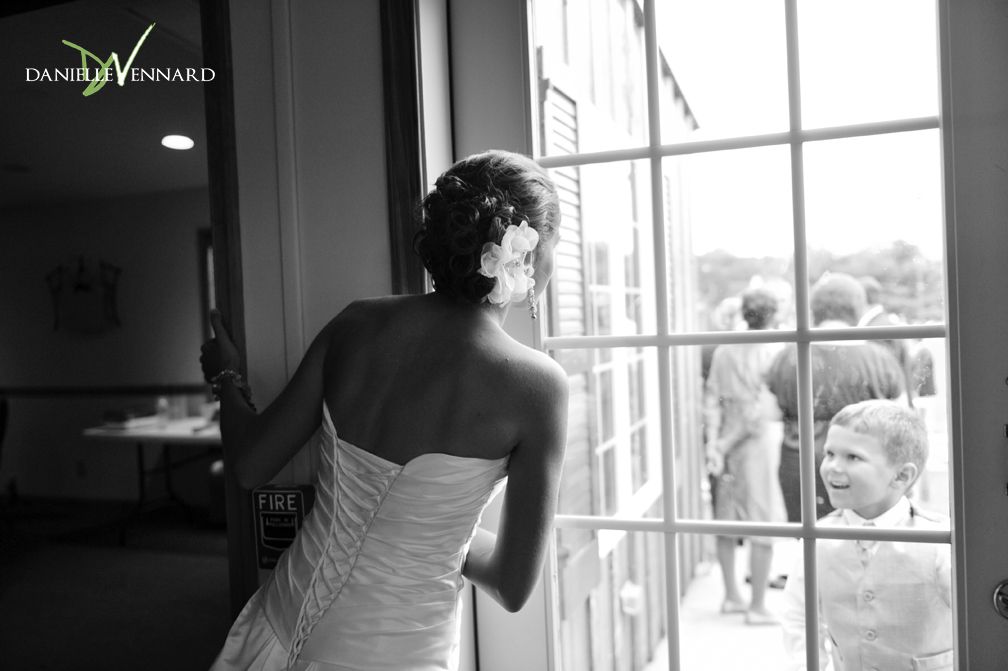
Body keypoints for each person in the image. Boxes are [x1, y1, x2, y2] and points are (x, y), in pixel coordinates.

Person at [201, 150, 570, 671]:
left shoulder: (356, 324)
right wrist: (432, 536)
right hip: (395, 654)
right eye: (556, 242)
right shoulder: (538, 386)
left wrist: (226, 377)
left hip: (278, 623)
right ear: (526, 253)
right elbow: (513, 586)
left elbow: (249, 466)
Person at [781, 400, 952, 670]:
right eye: (829, 453)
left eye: (853, 457)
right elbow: (798, 617)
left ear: (901, 476)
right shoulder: (817, 539)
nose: (833, 467)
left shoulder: (940, 541)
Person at [765, 272, 906, 522]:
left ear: (814, 309)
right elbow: (901, 423)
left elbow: (770, 413)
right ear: (858, 308)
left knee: (813, 550)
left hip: (800, 464)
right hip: (864, 463)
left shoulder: (788, 356)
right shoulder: (881, 359)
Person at [704, 287, 787, 625]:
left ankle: (731, 596)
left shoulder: (725, 349)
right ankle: (757, 605)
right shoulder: (773, 350)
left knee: (726, 517)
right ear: (772, 315)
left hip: (725, 437)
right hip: (755, 443)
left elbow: (710, 397)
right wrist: (723, 444)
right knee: (762, 521)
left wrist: (714, 443)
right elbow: (758, 412)